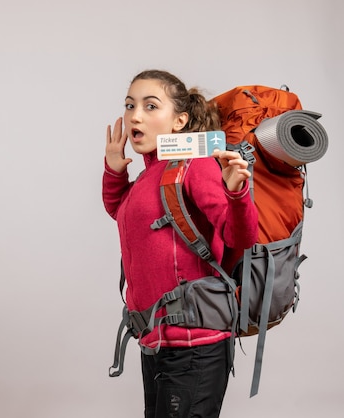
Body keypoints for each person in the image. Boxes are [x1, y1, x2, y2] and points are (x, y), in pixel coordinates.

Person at [102, 69, 259, 417]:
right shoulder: (150, 174)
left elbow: (241, 237)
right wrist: (115, 170)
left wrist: (236, 193)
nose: (135, 115)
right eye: (130, 105)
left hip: (194, 344)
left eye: (150, 105)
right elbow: (123, 212)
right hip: (158, 340)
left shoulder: (194, 165)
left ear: (180, 120)